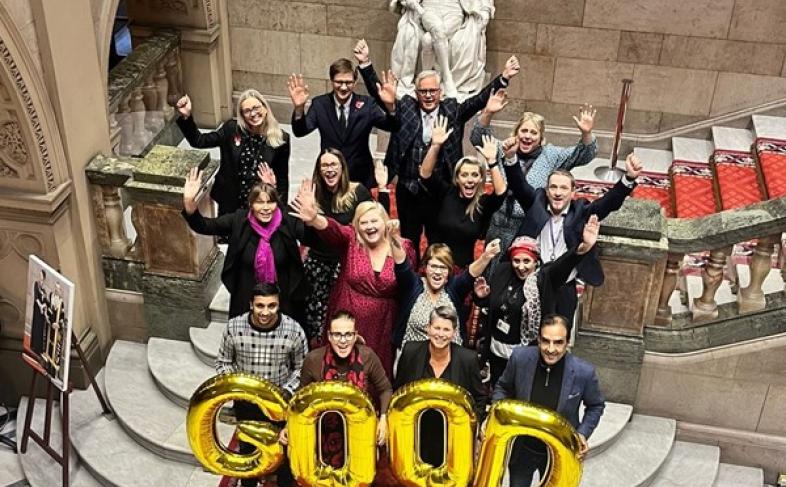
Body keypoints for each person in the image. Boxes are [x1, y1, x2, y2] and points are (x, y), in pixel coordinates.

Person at [353, 39, 519, 253]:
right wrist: (365, 64)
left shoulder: (451, 110)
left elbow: (478, 100)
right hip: (408, 187)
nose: (429, 95)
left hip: (440, 190)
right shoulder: (406, 107)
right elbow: (380, 93)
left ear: (440, 92)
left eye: (433, 91)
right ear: (416, 92)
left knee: (437, 239)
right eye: (424, 91)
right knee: (409, 239)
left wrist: (504, 78)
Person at [290, 179, 415, 377]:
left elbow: (409, 283)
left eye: (374, 221)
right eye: (363, 223)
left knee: (374, 376)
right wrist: (314, 218)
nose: (369, 226)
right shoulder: (352, 240)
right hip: (347, 319)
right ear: (356, 227)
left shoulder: (404, 246)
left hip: (383, 326)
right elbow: (333, 229)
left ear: (385, 221)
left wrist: (394, 245)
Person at [503, 153, 643, 324]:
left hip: (564, 287)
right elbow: (519, 185)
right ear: (547, 190)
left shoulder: (581, 211)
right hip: (532, 282)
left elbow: (608, 203)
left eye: (563, 188)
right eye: (553, 187)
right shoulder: (536, 202)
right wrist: (510, 158)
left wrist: (628, 178)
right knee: (526, 327)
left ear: (573, 191)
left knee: (561, 331)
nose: (558, 193)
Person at [470, 96, 598, 277]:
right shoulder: (503, 149)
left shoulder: (551, 155)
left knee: (523, 272)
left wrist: (586, 133)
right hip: (498, 224)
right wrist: (488, 113)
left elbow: (584, 154)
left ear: (541, 137)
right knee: (493, 270)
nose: (527, 136)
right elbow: (477, 137)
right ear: (516, 132)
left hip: (529, 226)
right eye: (524, 131)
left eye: (533, 133)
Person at [479, 215, 600, 386]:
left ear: (536, 261)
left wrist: (584, 247)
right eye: (516, 260)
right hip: (497, 351)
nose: (521, 267)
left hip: (527, 355)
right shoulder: (502, 272)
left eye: (526, 261)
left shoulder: (544, 278)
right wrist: (482, 297)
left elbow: (564, 264)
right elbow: (492, 305)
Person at [491, 314, 605, 487]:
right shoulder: (520, 358)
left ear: (568, 342)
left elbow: (596, 405)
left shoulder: (584, 372)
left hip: (560, 453)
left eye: (558, 342)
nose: (551, 349)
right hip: (522, 449)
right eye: (545, 341)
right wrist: (497, 413)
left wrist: (582, 433)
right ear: (538, 340)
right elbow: (503, 387)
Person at [182, 167, 308, 322]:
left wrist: (313, 219)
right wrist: (190, 204)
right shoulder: (239, 221)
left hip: (283, 304)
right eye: (259, 202)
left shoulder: (287, 221)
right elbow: (205, 226)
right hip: (246, 302)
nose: (265, 208)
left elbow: (311, 237)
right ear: (251, 204)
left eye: (270, 202)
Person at [215, 283, 307, 487]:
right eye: (260, 306)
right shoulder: (233, 328)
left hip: (279, 402)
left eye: (272, 306)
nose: (265, 312)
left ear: (279, 305)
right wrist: (238, 386)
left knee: (284, 450)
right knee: (249, 451)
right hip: (246, 402)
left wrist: (286, 391)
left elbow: (302, 369)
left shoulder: (294, 330)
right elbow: (223, 362)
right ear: (251, 305)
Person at [301, 148, 390, 340]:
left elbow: (378, 218)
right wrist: (308, 219)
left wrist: (382, 189)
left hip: (346, 264)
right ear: (319, 170)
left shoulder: (357, 191)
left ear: (342, 168)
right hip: (318, 265)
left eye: (334, 164)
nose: (329, 169)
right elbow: (307, 239)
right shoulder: (313, 195)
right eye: (324, 165)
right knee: (315, 322)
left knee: (343, 320)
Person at [294, 311, 392, 468]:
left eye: (348, 335)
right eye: (338, 335)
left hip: (360, 432)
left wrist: (383, 419)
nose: (343, 341)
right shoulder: (313, 359)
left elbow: (385, 389)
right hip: (323, 434)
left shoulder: (367, 356)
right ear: (329, 336)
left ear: (355, 336)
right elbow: (299, 399)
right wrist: (289, 426)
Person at [394, 306, 487, 467]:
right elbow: (398, 391)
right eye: (437, 328)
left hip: (452, 440)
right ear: (428, 328)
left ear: (454, 332)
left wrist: (471, 426)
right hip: (414, 435)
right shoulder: (410, 351)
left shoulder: (468, 359)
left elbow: (480, 396)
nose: (441, 334)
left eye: (446, 329)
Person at [175, 89, 290, 215]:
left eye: (256, 107)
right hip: (230, 202)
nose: (253, 113)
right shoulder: (231, 129)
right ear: (242, 115)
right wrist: (186, 116)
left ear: (265, 108)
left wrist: (281, 212)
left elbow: (282, 178)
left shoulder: (281, 138)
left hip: (259, 204)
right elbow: (199, 141)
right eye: (247, 111)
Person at [288, 58, 398, 189]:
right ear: (331, 81)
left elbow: (392, 126)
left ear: (355, 82)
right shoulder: (320, 104)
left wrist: (390, 107)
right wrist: (299, 109)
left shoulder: (367, 105)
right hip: (329, 176)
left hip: (360, 178)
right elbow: (300, 131)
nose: (344, 87)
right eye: (339, 82)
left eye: (348, 82)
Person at [419, 108, 506, 267]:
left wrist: (492, 162)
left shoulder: (482, 203)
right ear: (457, 178)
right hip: (435, 264)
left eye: (474, 175)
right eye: (464, 175)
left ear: (481, 178)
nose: (470, 180)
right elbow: (425, 174)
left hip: (463, 270)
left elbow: (501, 193)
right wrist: (435, 145)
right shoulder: (445, 193)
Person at [392, 231, 500, 348]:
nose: (438, 272)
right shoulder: (413, 285)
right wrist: (392, 239)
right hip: (413, 358)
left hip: (450, 359)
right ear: (425, 267)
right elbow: (402, 266)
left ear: (449, 271)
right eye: (433, 266)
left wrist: (486, 256)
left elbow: (470, 274)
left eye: (443, 267)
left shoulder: (454, 287)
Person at [389, 0, 495, 98]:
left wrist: (485, 10)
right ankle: (446, 77)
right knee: (431, 34)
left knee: (427, 40)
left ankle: (425, 82)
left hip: (453, 11)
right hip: (428, 9)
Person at [30, 270, 48, 356]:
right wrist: (40, 305)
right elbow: (36, 297)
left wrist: (45, 304)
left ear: (43, 277)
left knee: (40, 328)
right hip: (37, 310)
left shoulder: (44, 290)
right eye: (39, 274)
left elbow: (45, 301)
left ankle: (39, 348)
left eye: (41, 275)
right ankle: (35, 346)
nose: (40, 276)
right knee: (36, 327)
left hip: (41, 313)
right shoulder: (36, 284)